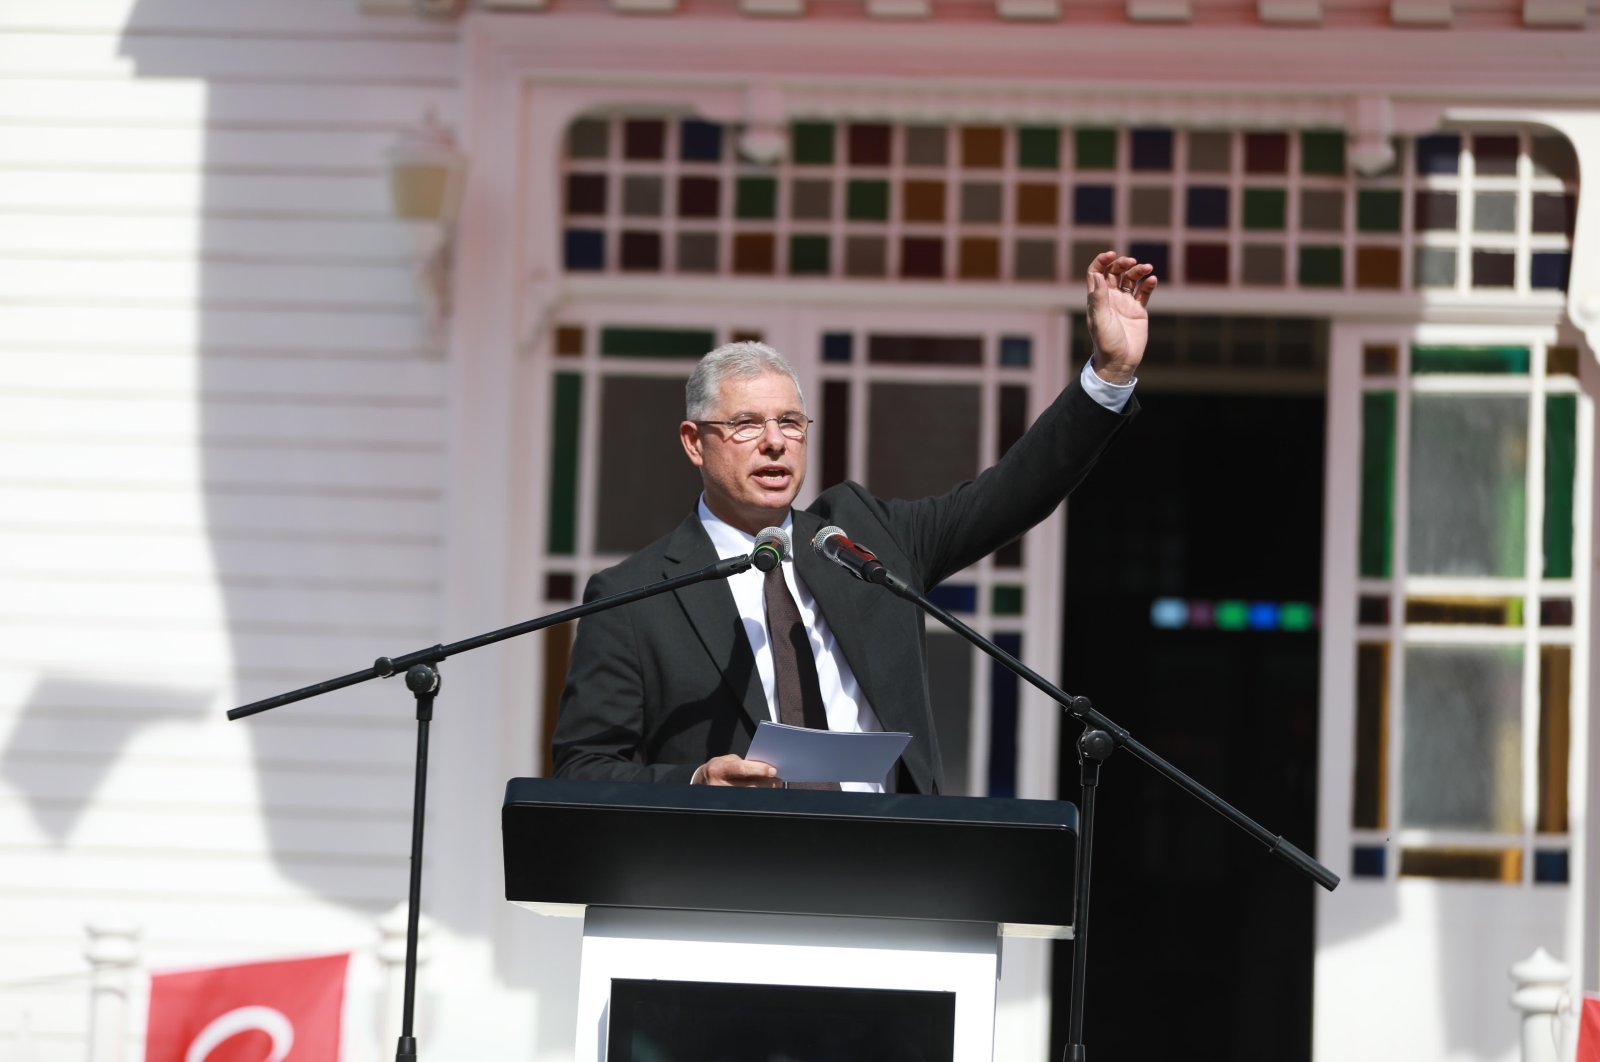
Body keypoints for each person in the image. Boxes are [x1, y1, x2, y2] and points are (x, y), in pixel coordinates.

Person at [551, 251, 1157, 793]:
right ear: (694, 442)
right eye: (746, 425)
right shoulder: (633, 597)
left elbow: (1014, 492)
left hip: (886, 873)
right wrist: (695, 779)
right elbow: (584, 769)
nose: (774, 444)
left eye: (790, 424)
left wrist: (1106, 377)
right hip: (729, 887)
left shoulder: (861, 542)